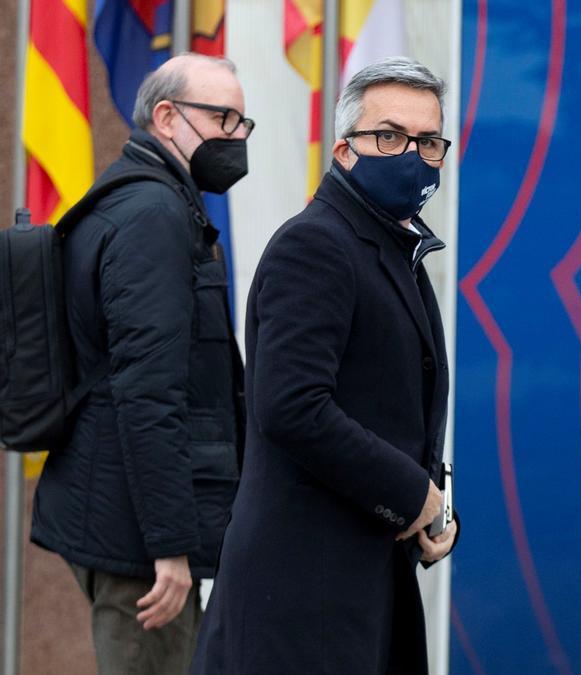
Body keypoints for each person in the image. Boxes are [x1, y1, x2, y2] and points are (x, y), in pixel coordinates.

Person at [191, 56, 458, 675]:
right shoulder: (316, 245)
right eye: (388, 136)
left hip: (361, 588)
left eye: (428, 141)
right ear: (343, 149)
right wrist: (410, 494)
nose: (410, 155)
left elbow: (391, 414)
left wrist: (433, 508)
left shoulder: (397, 250)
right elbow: (292, 406)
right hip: (299, 599)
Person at [30, 53, 250, 675]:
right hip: (138, 546)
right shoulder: (152, 216)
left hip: (125, 519)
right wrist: (170, 547)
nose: (236, 137)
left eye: (243, 123)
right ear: (166, 117)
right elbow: (148, 392)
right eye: (224, 118)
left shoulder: (143, 202)